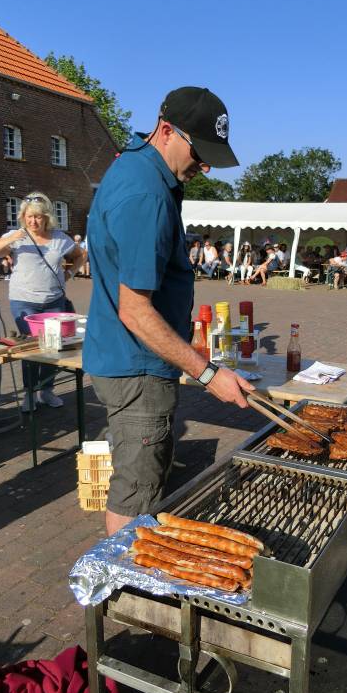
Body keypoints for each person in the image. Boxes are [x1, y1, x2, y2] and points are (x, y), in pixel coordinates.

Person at [83, 86, 253, 535]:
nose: (205, 166)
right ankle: (127, 573)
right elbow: (135, 311)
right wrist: (208, 374)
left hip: (128, 358)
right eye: (200, 153)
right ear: (165, 130)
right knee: (137, 492)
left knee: (140, 479)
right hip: (137, 365)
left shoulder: (139, 170)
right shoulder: (147, 194)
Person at [0, 192, 85, 411]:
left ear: (47, 217)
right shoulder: (16, 236)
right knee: (32, 347)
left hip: (54, 301)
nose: (33, 221)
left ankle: (46, 391)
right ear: (23, 217)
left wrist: (69, 273)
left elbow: (81, 255)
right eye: (29, 216)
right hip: (24, 301)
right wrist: (10, 239)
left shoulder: (59, 238)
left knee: (53, 347)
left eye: (38, 217)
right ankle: (29, 393)